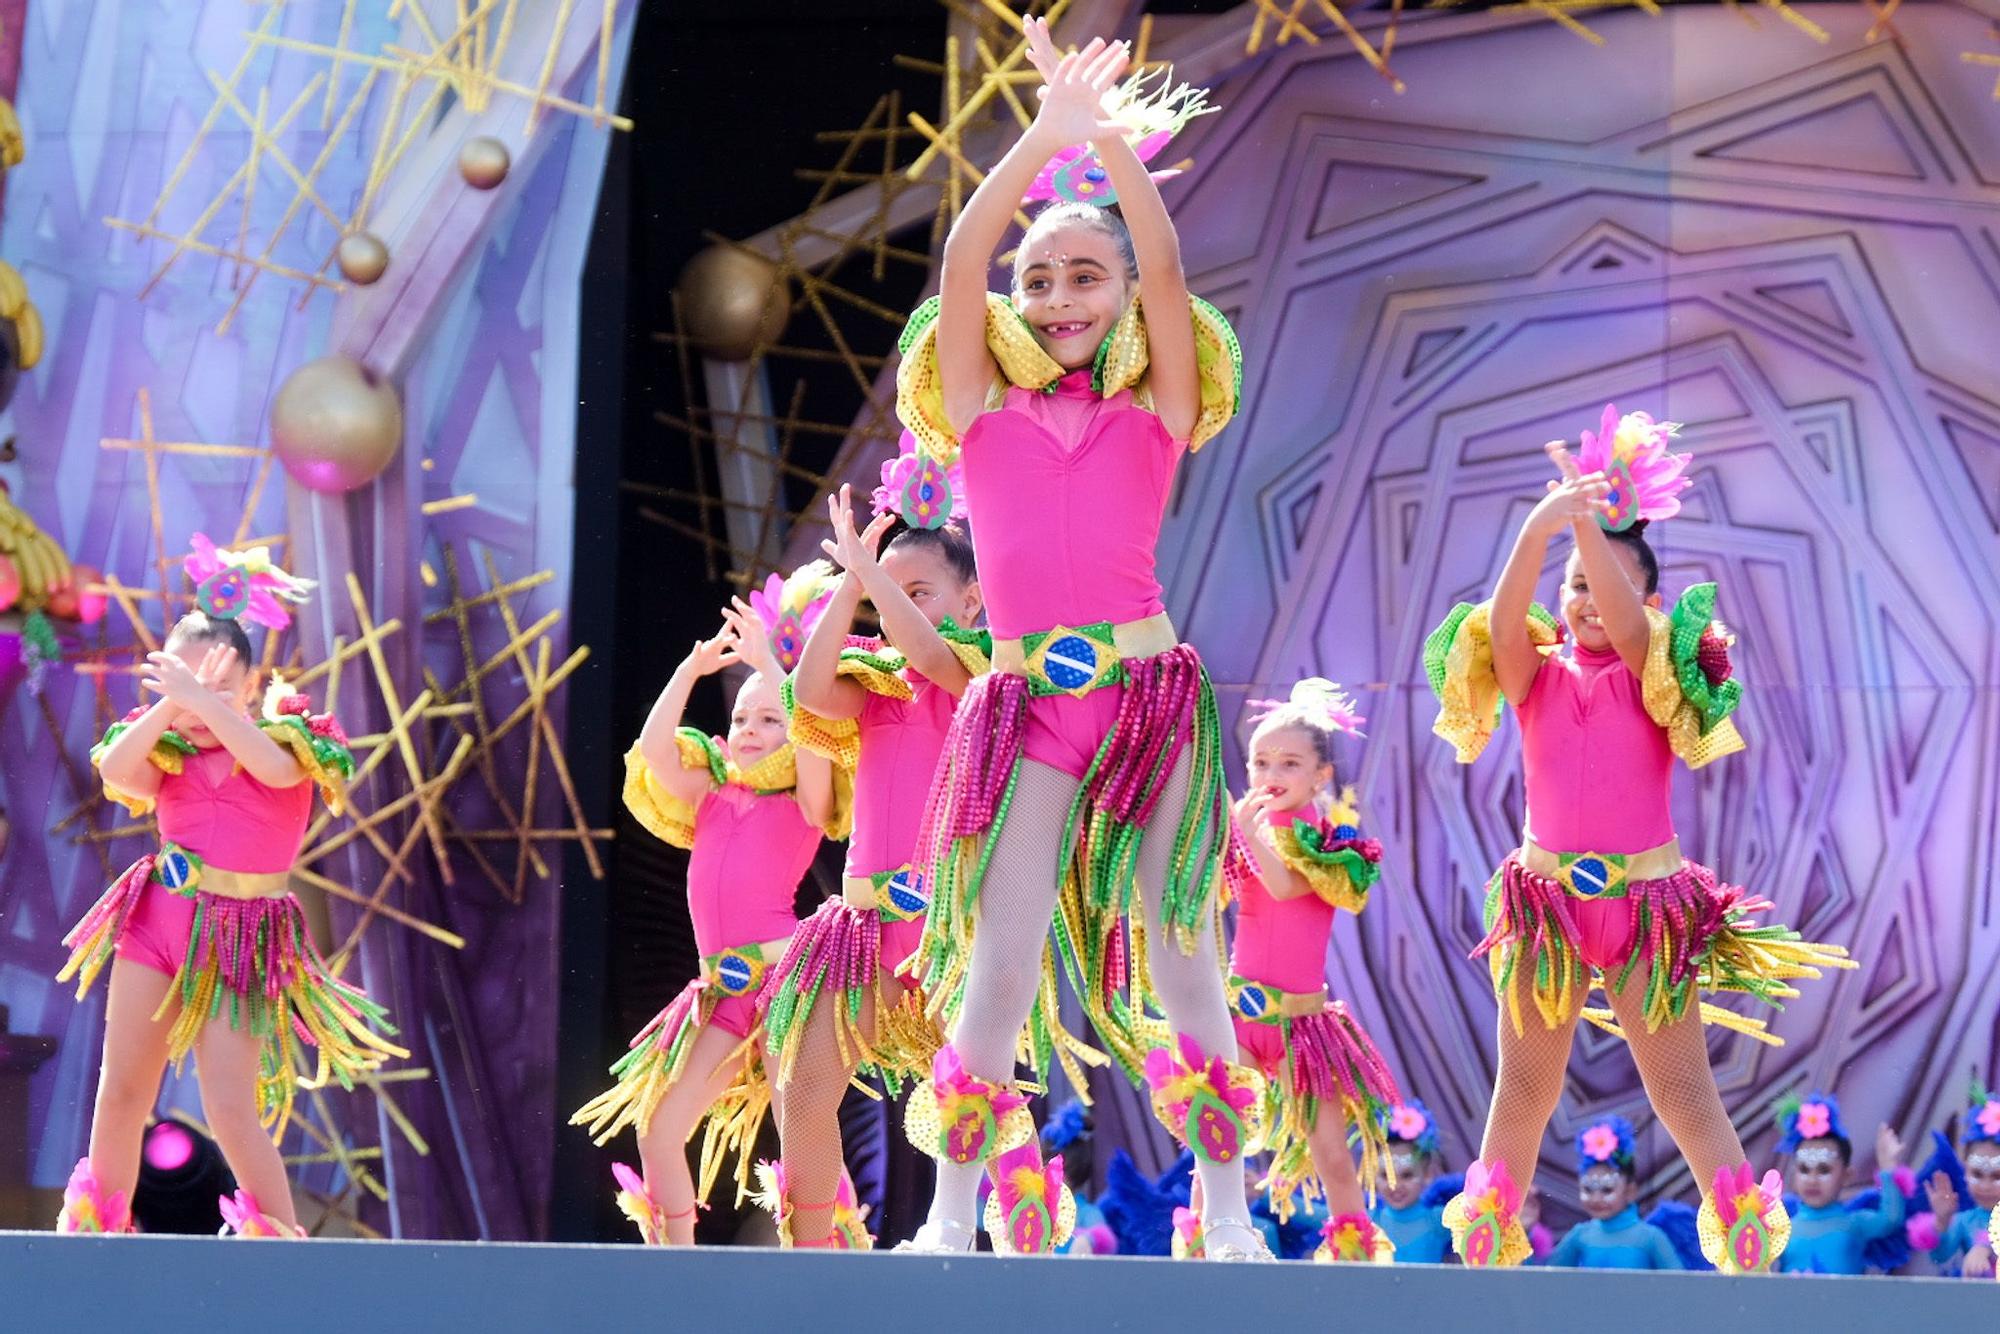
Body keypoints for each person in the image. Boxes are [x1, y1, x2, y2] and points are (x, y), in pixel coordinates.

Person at [892, 18, 1258, 1257]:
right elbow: (957, 261)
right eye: (1038, 280)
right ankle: (950, 1214)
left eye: (1081, 278)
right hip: (1024, 710)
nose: (1057, 298)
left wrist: (1105, 153)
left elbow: (1163, 266)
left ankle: (1222, 1211)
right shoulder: (979, 413)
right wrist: (1038, 143)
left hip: (1146, 694)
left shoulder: (1156, 407)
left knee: (1183, 950)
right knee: (999, 959)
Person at [1423, 409, 1852, 1272]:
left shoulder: (1663, 669)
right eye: (1575, 583)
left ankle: (1746, 1251)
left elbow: (1627, 631)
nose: (1586, 600)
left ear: (1650, 601)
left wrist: (1583, 519)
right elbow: (1504, 625)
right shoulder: (1535, 674)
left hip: (1645, 911)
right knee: (1527, 1088)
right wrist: (1537, 529)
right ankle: (1484, 1257)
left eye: (1607, 584)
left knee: (1682, 1090)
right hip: (1547, 909)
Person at [56, 536, 396, 1237]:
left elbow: (273, 773)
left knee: (229, 1106)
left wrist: (208, 705)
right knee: (122, 1090)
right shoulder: (166, 750)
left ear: (247, 683)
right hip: (157, 917)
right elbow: (118, 773)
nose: (191, 700)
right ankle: (95, 1238)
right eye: (175, 680)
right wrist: (166, 708)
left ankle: (277, 1247)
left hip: (239, 936)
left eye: (212, 685)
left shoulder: (288, 741)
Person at [756, 475, 996, 1248]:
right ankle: (816, 1264)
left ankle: (1011, 1247)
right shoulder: (877, 686)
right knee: (804, 1088)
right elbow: (808, 691)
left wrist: (871, 572)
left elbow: (927, 652)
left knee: (979, 1099)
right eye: (886, 596)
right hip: (861, 927)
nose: (898, 608)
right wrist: (851, 584)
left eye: (919, 591)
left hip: (947, 932)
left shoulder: (981, 677)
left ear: (971, 602)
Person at [571, 583, 843, 1245]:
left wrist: (778, 672)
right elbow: (655, 750)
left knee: (798, 1119)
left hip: (784, 985)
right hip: (722, 991)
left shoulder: (806, 798)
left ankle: (822, 1262)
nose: (751, 730)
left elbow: (807, 722)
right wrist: (690, 670)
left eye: (768, 720)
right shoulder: (711, 795)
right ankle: (679, 1273)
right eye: (742, 720)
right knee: (659, 1127)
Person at [1225, 680, 1398, 1260]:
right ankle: (1206, 1245)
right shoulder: (1241, 833)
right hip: (1241, 1016)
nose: (1272, 773)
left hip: (1302, 1029)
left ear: (1321, 775)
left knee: (1332, 1156)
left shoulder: (1331, 845)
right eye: (1261, 761)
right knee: (1219, 1140)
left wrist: (1247, 837)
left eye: (1290, 763)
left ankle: (1354, 1262)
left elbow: (1282, 886)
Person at [1771, 1092, 1910, 1275]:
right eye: (1804, 1169)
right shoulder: (1781, 1231)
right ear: (1794, 1175)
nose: (1812, 1179)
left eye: (1824, 1170)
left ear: (1847, 1175)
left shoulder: (1855, 1225)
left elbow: (1891, 1220)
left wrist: (1888, 1169)